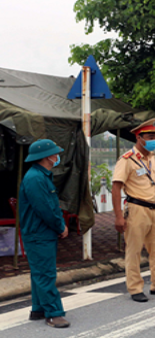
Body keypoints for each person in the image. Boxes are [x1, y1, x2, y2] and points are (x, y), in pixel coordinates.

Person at [112, 118, 155, 302]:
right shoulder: (127, 160)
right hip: (136, 209)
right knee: (134, 251)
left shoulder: (151, 158)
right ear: (139, 137)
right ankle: (135, 288)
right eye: (150, 136)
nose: (154, 140)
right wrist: (118, 216)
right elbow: (116, 187)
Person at [19, 139, 70, 328]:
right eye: (56, 153)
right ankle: (53, 313)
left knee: (39, 273)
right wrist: (60, 226)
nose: (58, 156)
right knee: (45, 274)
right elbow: (46, 209)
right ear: (48, 156)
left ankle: (38, 308)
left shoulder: (39, 175)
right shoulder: (36, 178)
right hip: (39, 233)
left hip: (39, 232)